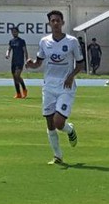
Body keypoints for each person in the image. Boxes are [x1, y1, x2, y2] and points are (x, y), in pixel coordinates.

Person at [24, 10, 84, 165]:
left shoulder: (72, 41)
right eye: (53, 21)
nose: (56, 23)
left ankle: (69, 130)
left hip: (65, 87)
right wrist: (31, 64)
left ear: (63, 23)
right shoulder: (44, 41)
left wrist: (71, 76)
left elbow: (80, 64)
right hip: (49, 87)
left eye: (58, 20)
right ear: (49, 24)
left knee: (58, 122)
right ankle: (58, 156)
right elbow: (39, 62)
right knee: (50, 124)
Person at [6, 26, 28, 98]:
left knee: (17, 75)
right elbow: (9, 49)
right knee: (15, 77)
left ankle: (24, 89)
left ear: (18, 32)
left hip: (20, 61)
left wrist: (27, 60)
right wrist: (7, 54)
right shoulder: (11, 41)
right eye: (12, 32)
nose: (14, 33)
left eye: (15, 32)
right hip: (14, 61)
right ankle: (18, 94)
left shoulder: (22, 41)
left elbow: (25, 51)